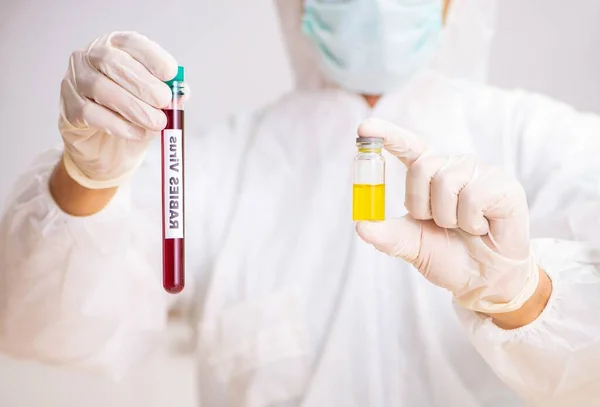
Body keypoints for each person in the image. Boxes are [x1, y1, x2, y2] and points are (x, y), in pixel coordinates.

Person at [1, 0, 600, 405]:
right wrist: (87, 178)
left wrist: (523, 294)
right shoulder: (218, 165)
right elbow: (44, 330)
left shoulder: (547, 141)